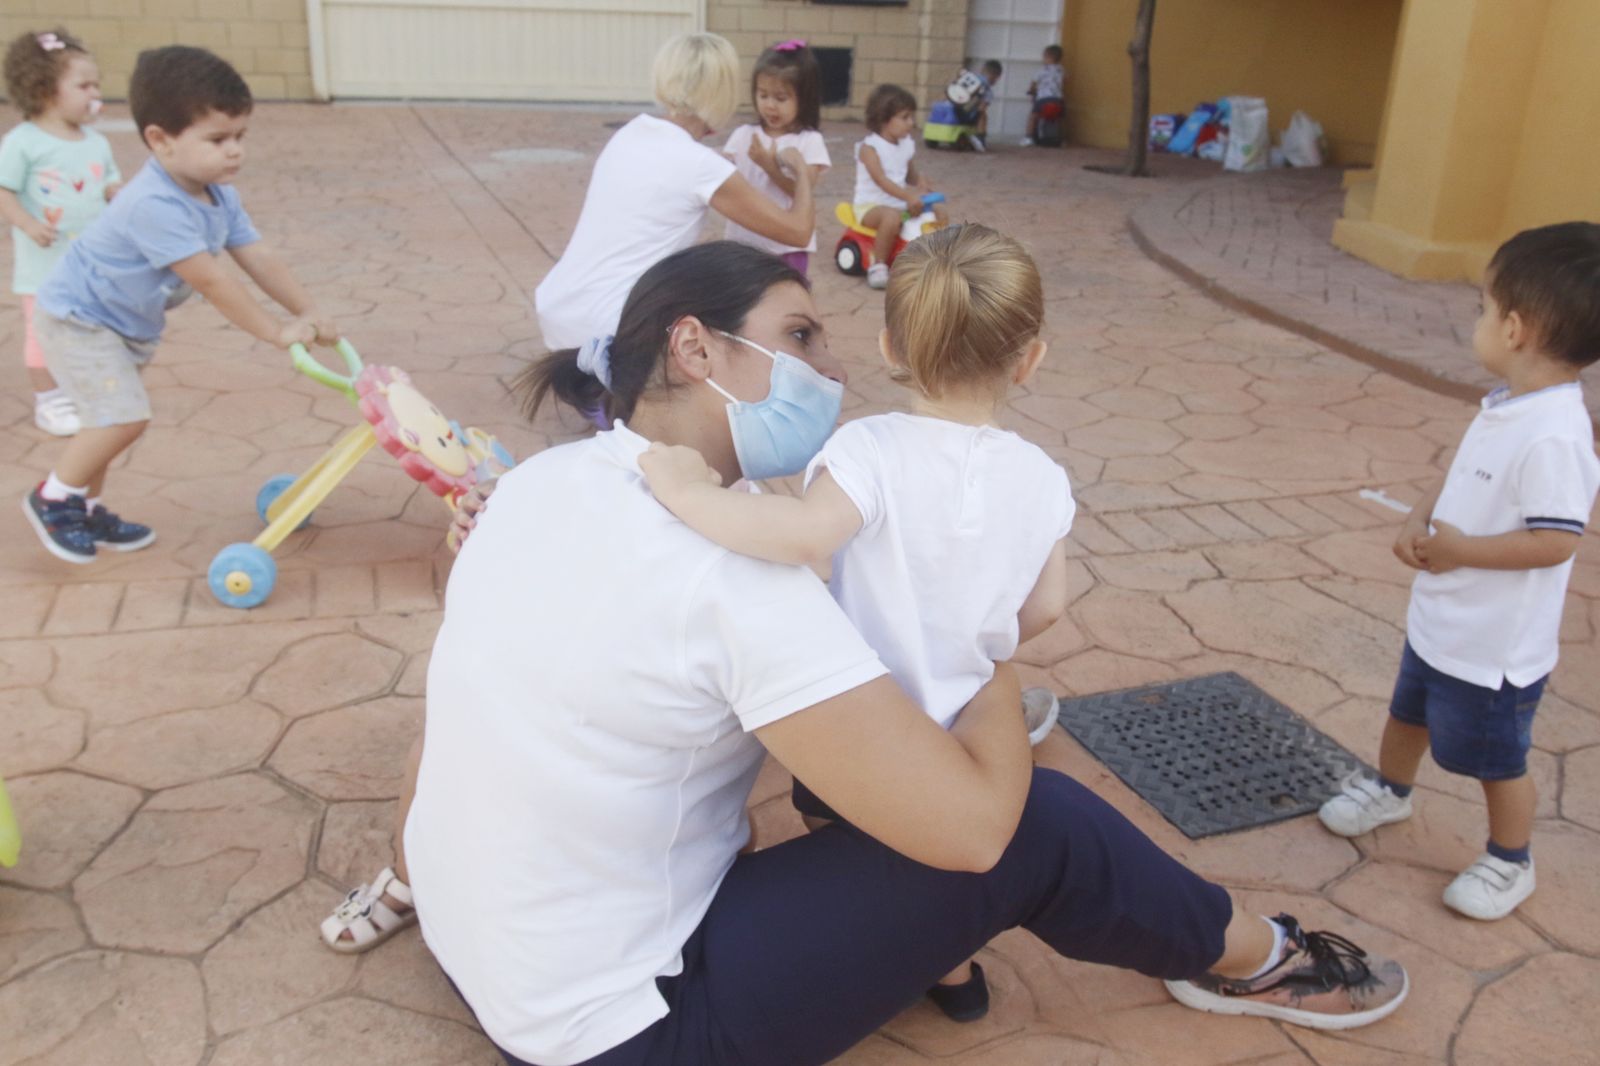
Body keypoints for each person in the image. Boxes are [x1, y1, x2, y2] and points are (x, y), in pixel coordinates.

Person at [324, 242, 1409, 1063]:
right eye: (801, 336)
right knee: (1031, 820)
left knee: (824, 775)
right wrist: (977, 642)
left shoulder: (537, 484)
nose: (834, 368)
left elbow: (457, 718)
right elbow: (972, 834)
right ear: (695, 348)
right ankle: (1262, 959)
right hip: (623, 1031)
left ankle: (945, 960)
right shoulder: (741, 578)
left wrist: (415, 879)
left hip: (483, 947)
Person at [637, 224, 1072, 1022]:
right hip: (965, 720)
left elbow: (807, 537)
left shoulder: (869, 448)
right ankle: (956, 969)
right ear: (1030, 358)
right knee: (943, 842)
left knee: (846, 831)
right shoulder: (1044, 479)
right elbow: (1045, 606)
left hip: (864, 715)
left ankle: (896, 947)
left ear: (890, 345)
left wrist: (690, 494)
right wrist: (972, 639)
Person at [1318, 222, 1600, 921]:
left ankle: (1510, 860)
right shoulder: (1507, 405)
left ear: (1515, 329)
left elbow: (1555, 541)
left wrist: (1460, 551)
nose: (1477, 320)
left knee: (1496, 759)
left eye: (1483, 307)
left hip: (1493, 651)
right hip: (1443, 621)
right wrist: (1418, 519)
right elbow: (1459, 473)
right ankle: (1391, 790)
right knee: (1406, 714)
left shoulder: (1556, 436)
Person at [20, 46, 337, 565]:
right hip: (79, 320)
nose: (234, 151)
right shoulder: (153, 203)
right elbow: (211, 280)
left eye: (240, 137)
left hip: (121, 326)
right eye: (217, 139)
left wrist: (309, 309)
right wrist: (275, 331)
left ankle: (85, 508)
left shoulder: (217, 193)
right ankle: (54, 499)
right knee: (122, 419)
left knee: (106, 420)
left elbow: (257, 255)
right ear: (160, 140)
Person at [533, 33, 817, 353]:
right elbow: (798, 231)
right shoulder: (701, 166)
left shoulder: (631, 133)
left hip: (560, 307)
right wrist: (802, 171)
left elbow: (671, 173)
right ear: (722, 91)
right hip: (609, 326)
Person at [0, 27, 121, 437]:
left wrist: (117, 193)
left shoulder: (96, 142)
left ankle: (81, 388)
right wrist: (27, 223)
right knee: (42, 333)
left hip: (90, 264)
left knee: (88, 328)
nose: (95, 93)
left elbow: (109, 181)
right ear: (45, 90)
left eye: (96, 84)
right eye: (84, 86)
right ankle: (49, 401)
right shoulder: (23, 143)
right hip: (43, 268)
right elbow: (4, 190)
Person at [721, 40, 830, 277]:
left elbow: (801, 192)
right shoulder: (743, 135)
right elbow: (724, 181)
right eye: (763, 95)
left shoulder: (809, 141)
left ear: (805, 98)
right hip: (743, 242)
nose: (770, 105)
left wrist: (769, 167)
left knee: (786, 297)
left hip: (787, 247)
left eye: (781, 98)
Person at [853, 84, 946, 291]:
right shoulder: (869, 148)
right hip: (870, 206)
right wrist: (908, 196)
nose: (911, 123)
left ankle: (935, 258)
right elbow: (881, 180)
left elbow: (909, 175)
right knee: (891, 218)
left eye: (911, 117)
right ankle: (878, 266)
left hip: (899, 204)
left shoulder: (906, 144)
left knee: (937, 211)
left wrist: (921, 183)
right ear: (884, 118)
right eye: (905, 117)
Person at [1020, 44, 1065, 147]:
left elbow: (1033, 83)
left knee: (1033, 116)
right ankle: (1061, 138)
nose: (1043, 59)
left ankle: (1028, 137)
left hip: (1043, 98)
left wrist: (1031, 91)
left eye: (1044, 57)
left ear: (1049, 57)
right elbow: (1065, 81)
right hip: (1058, 99)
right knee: (1060, 118)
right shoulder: (1061, 70)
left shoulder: (1042, 70)